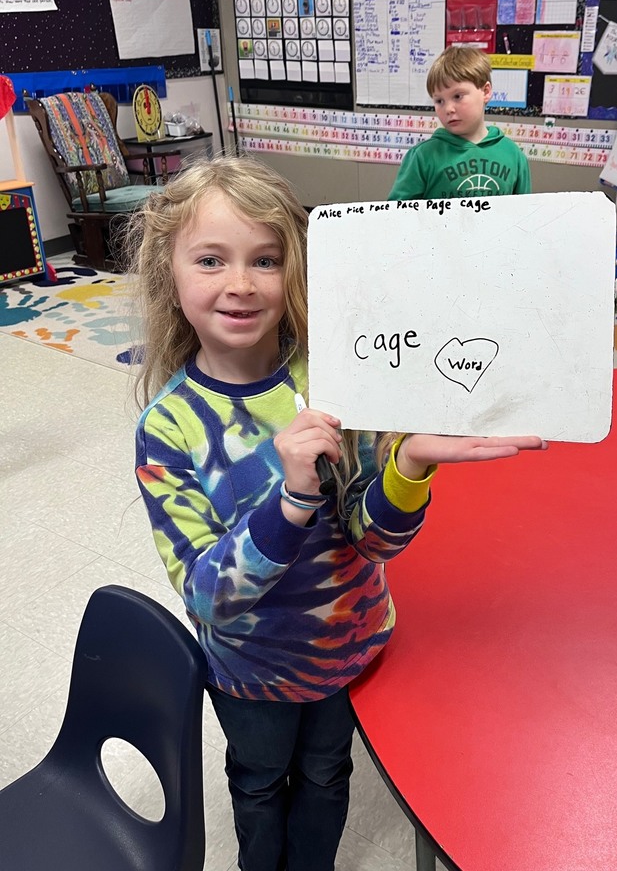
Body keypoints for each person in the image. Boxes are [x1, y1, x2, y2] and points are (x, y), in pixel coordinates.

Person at [129, 155, 546, 871]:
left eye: (265, 259)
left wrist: (408, 465)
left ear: (295, 268)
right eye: (210, 259)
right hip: (252, 668)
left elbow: (371, 537)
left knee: (327, 773)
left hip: (348, 645)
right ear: (169, 271)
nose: (240, 283)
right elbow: (209, 596)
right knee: (260, 782)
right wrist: (290, 499)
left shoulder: (338, 377)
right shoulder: (169, 430)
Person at [389, 45, 531, 201]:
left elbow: (524, 214)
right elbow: (397, 216)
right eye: (439, 101)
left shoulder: (513, 155)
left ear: (485, 92)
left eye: (458, 96)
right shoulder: (423, 157)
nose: (448, 109)